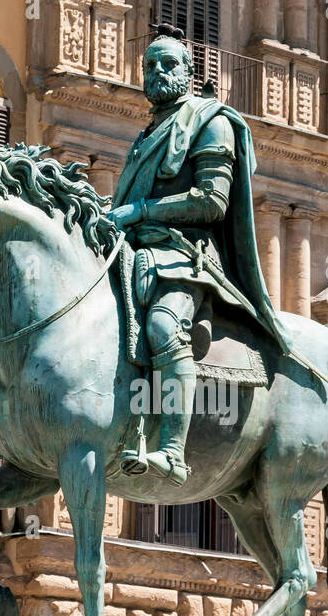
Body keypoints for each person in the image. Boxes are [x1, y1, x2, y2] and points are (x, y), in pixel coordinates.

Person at [107, 26, 296, 485]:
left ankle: (172, 449)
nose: (156, 73)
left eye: (168, 64)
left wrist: (142, 210)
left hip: (184, 256)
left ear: (190, 73)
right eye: (150, 66)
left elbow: (212, 200)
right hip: (134, 249)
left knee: (161, 326)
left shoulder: (213, 122)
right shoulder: (145, 134)